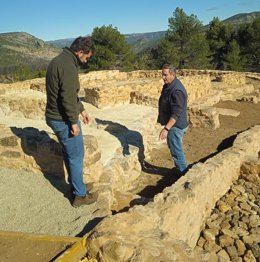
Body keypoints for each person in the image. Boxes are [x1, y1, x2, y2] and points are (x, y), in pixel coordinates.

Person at [45, 36, 98, 208]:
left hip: (56, 117)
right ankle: (80, 196)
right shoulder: (68, 66)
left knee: (70, 154)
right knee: (76, 156)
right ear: (80, 51)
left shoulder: (60, 60)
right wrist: (73, 123)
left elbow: (69, 94)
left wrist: (81, 110)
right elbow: (67, 98)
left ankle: (77, 186)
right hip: (63, 119)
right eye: (87, 56)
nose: (86, 60)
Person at [157, 64, 189, 174]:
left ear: (173, 74)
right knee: (174, 147)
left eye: (165, 75)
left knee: (176, 150)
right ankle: (180, 169)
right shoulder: (169, 85)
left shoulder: (177, 91)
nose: (163, 77)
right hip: (174, 125)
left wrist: (166, 129)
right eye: (162, 74)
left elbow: (176, 113)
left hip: (176, 126)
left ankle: (183, 173)